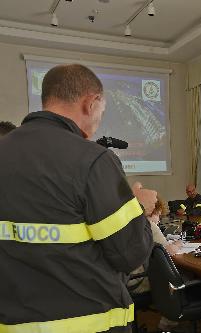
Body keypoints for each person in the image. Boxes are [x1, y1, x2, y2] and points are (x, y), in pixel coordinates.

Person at [0, 64, 154, 332]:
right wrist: (138, 205)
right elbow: (130, 253)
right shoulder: (92, 159)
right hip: (89, 323)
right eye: (102, 112)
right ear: (91, 103)